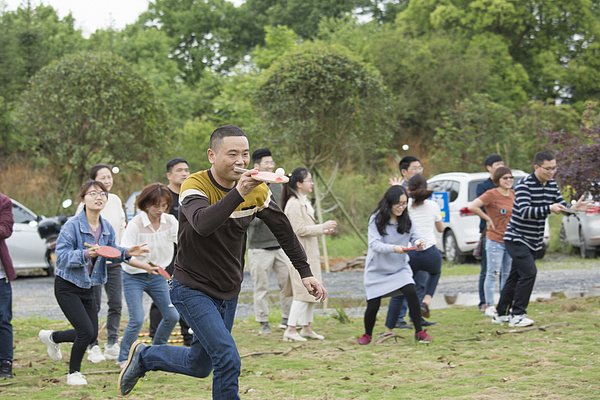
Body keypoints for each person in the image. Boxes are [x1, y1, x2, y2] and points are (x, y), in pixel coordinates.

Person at [117, 124, 327, 399]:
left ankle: (145, 357)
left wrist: (305, 272)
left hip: (228, 290)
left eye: (245, 154)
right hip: (191, 287)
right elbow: (203, 224)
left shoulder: (258, 191)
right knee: (228, 358)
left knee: (200, 364)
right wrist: (238, 192)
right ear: (212, 156)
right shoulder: (196, 184)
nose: (240, 161)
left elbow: (283, 229)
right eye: (232, 154)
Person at [39, 181, 148, 385]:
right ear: (83, 199)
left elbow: (110, 253)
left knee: (90, 333)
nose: (99, 197)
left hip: (90, 286)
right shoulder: (72, 226)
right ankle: (73, 374)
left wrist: (126, 252)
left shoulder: (106, 227)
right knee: (85, 331)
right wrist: (84, 254)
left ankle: (53, 337)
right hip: (67, 285)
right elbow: (61, 257)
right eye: (93, 193)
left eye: (103, 194)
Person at [494, 151, 590, 327]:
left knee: (515, 277)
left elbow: (560, 206)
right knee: (529, 273)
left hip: (533, 240)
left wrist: (574, 207)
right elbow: (524, 211)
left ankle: (501, 314)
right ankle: (518, 315)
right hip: (517, 238)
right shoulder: (525, 185)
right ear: (536, 167)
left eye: (554, 168)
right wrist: (549, 208)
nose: (551, 172)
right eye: (548, 168)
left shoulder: (552, 185)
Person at [357, 185, 432, 345]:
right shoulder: (376, 219)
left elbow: (415, 235)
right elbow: (374, 244)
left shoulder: (407, 218)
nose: (401, 207)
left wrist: (419, 241)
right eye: (398, 204)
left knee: (411, 291)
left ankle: (419, 332)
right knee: (373, 304)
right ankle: (367, 335)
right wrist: (395, 248)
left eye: (404, 204)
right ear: (389, 203)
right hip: (377, 269)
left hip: (399, 268)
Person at [118, 183, 180, 368]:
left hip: (157, 274)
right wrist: (145, 266)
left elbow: (184, 243)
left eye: (164, 205)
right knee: (137, 319)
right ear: (145, 204)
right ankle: (123, 358)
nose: (160, 210)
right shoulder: (136, 224)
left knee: (172, 315)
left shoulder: (171, 222)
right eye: (156, 206)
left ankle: (156, 351)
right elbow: (124, 255)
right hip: (133, 275)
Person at [76, 164, 126, 362]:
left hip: (113, 259)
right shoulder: (85, 204)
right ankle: (92, 344)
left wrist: (120, 250)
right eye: (102, 178)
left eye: (109, 177)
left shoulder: (114, 200)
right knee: (93, 304)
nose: (107, 181)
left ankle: (112, 343)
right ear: (93, 181)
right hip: (94, 260)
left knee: (116, 303)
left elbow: (121, 228)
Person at [280, 167, 336, 342]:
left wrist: (321, 230)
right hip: (300, 255)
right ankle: (290, 329)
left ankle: (306, 328)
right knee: (301, 294)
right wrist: (322, 227)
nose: (311, 183)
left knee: (313, 291)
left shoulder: (303, 201)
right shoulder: (294, 204)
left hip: (310, 252)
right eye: (308, 180)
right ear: (298, 184)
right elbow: (298, 230)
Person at [247, 148, 292, 335]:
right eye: (267, 163)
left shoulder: (278, 185)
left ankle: (287, 319)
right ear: (256, 166)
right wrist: (265, 215)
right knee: (261, 288)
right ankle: (263, 323)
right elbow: (247, 216)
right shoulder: (249, 187)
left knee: (287, 285)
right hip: (258, 248)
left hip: (280, 246)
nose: (271, 166)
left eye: (272, 163)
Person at [148, 158, 192, 346]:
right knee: (162, 294)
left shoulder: (191, 195)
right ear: (169, 175)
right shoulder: (162, 197)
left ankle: (189, 336)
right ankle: (155, 337)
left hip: (188, 252)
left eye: (186, 170)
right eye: (179, 170)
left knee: (188, 293)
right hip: (166, 254)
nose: (184, 173)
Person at [390, 174, 444, 328]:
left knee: (403, 286)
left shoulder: (405, 205)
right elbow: (440, 229)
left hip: (410, 251)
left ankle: (399, 320)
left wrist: (395, 188)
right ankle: (425, 303)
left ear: (408, 188)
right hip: (429, 251)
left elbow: (392, 205)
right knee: (433, 275)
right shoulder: (433, 205)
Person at [469, 166, 515, 317]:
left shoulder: (513, 194)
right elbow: (473, 206)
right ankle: (489, 304)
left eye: (510, 177)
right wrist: (487, 218)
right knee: (492, 273)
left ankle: (505, 305)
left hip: (510, 239)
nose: (509, 180)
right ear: (498, 180)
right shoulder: (491, 194)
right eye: (505, 178)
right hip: (494, 240)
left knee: (507, 274)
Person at [476, 153, 504, 312]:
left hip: (506, 232)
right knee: (488, 269)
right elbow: (478, 206)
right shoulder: (484, 187)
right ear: (489, 168)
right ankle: (484, 302)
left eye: (502, 163)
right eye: (497, 164)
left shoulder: (507, 186)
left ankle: (504, 301)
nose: (500, 166)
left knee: (505, 270)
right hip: (489, 231)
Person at [0, 192, 16, 379]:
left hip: (1, 275)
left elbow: (5, 229)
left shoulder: (3, 201)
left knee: (3, 319)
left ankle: (5, 362)